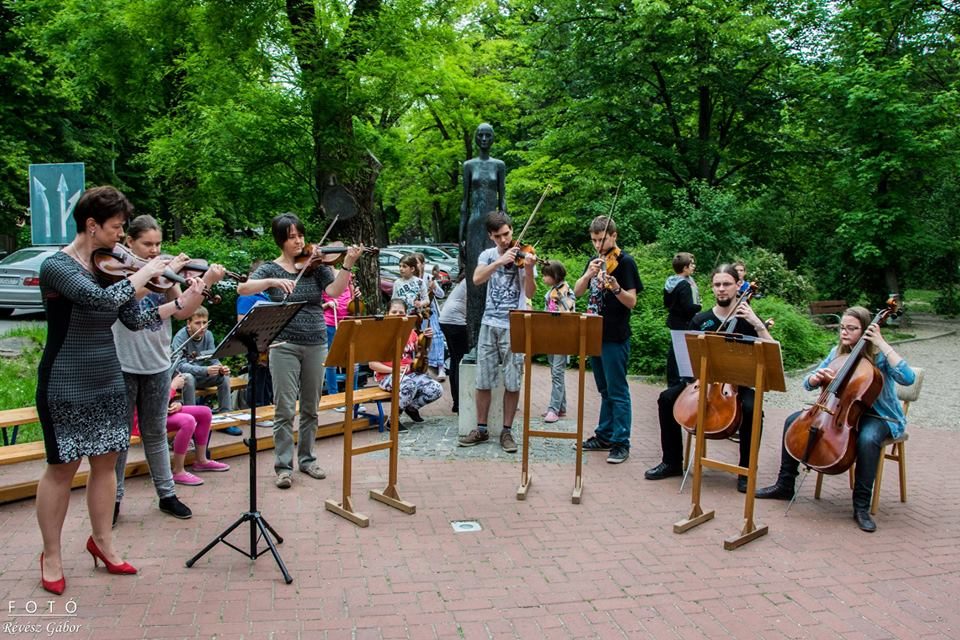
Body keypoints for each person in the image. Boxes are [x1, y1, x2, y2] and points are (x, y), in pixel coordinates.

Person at [35, 186, 182, 594]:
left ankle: (103, 543)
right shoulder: (57, 266)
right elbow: (98, 303)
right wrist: (142, 273)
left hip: (107, 377)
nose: (121, 237)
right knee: (62, 468)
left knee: (105, 463)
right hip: (65, 378)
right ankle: (51, 554)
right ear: (92, 225)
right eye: (117, 228)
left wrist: (181, 293)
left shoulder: (110, 266)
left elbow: (134, 319)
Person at [755, 306, 915, 532]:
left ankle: (861, 506)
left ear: (866, 330)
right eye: (842, 328)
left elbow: (908, 378)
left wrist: (880, 342)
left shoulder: (880, 358)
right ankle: (785, 484)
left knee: (868, 439)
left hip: (879, 416)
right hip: (840, 412)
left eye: (851, 328)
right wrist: (814, 378)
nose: (844, 332)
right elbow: (807, 382)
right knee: (793, 421)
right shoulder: (837, 353)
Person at [236, 213, 361, 490]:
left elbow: (334, 291)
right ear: (281, 240)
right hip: (284, 345)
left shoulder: (317, 266)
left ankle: (307, 459)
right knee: (283, 408)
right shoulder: (271, 268)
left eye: (300, 235)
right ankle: (283, 466)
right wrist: (270, 283)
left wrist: (348, 265)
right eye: (292, 236)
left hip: (316, 341)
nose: (299, 241)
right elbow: (243, 288)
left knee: (310, 407)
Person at [113, 214, 224, 524]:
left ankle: (167, 494)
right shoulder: (119, 272)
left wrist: (203, 285)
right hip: (124, 362)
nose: (154, 250)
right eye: (147, 244)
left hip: (157, 363)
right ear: (129, 242)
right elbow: (128, 306)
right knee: (120, 436)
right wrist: (159, 273)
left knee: (155, 431)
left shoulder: (165, 274)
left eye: (158, 243)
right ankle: (114, 499)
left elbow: (182, 311)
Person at [644, 264, 773, 490]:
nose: (721, 289)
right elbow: (689, 361)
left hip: (737, 385)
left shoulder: (749, 319)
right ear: (712, 288)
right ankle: (672, 461)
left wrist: (758, 324)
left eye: (727, 284)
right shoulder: (700, 320)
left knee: (754, 409)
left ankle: (746, 469)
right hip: (703, 382)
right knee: (666, 399)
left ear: (737, 287)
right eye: (717, 285)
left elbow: (771, 352)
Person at [458, 211, 536, 452]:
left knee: (513, 382)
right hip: (489, 323)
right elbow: (477, 278)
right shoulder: (488, 255)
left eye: (507, 234)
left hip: (515, 324)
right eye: (499, 236)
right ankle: (481, 429)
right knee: (483, 379)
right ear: (491, 236)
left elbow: (531, 293)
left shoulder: (524, 254)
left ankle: (507, 432)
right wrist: (499, 262)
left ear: (512, 230)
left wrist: (530, 269)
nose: (504, 240)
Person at [573, 216, 641, 464]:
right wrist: (588, 275)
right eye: (593, 240)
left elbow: (631, 302)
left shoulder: (625, 262)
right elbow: (577, 292)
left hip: (614, 335)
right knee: (604, 389)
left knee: (618, 390)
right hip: (593, 333)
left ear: (614, 236)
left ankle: (621, 441)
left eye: (602, 240)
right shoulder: (594, 262)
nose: (598, 246)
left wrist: (615, 288)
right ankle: (604, 435)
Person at [131, 374, 230, 487]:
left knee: (205, 412)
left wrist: (178, 404)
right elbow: (150, 403)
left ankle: (201, 461)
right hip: (145, 419)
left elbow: (165, 397)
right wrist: (173, 387)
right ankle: (178, 471)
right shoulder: (139, 372)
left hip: (162, 410)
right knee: (188, 421)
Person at [460, 123, 506, 350]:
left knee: (493, 281)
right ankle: (473, 343)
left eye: (489, 135)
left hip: (493, 226)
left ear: (493, 138)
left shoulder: (499, 165)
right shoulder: (469, 166)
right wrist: (461, 236)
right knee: (474, 284)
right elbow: (465, 203)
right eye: (481, 135)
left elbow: (503, 201)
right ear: (476, 139)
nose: (485, 138)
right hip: (473, 225)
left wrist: (505, 233)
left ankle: (491, 343)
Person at [368, 299, 444, 429]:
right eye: (394, 312)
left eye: (401, 312)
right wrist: (394, 370)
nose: (398, 314)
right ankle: (393, 420)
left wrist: (427, 338)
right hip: (386, 375)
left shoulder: (410, 332)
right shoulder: (380, 334)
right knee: (409, 385)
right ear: (387, 314)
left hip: (409, 372)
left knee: (436, 389)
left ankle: (411, 407)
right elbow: (372, 364)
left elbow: (422, 350)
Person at [171, 306, 234, 418]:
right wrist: (205, 370)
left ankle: (226, 416)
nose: (202, 327)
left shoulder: (208, 335)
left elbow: (213, 358)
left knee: (224, 377)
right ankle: (192, 418)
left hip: (200, 376)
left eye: (205, 322)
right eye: (197, 323)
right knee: (188, 377)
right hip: (182, 379)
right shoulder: (180, 337)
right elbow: (180, 366)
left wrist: (220, 368)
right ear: (188, 323)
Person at [236, 260, 273, 414]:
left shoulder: (265, 295)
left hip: (267, 341)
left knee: (266, 379)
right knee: (257, 378)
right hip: (255, 343)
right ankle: (256, 410)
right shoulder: (247, 296)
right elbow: (242, 322)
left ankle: (266, 408)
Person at [541, 260, 576, 423]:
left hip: (562, 336)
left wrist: (559, 297)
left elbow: (569, 310)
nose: (543, 278)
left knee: (557, 373)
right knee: (556, 373)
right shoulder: (552, 290)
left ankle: (553, 409)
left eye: (545, 275)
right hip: (551, 334)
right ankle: (561, 407)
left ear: (554, 276)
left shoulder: (565, 289)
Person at [663, 252, 701, 387]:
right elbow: (688, 307)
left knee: (674, 351)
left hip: (674, 320)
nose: (694, 266)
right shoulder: (685, 285)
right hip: (684, 323)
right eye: (691, 264)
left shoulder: (670, 282)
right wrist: (698, 307)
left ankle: (674, 381)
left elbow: (666, 303)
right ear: (685, 268)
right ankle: (681, 382)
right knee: (682, 354)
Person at [413, 253, 447, 380]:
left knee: (436, 337)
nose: (415, 266)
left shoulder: (428, 277)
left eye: (417, 263)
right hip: (417, 313)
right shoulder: (411, 279)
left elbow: (441, 294)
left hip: (430, 312)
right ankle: (421, 367)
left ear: (422, 264)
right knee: (419, 339)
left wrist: (434, 288)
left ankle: (440, 367)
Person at [438, 274, 468, 413]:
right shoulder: (472, 279)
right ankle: (460, 401)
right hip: (455, 321)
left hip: (446, 319)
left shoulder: (463, 281)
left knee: (456, 361)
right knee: (460, 360)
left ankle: (457, 402)